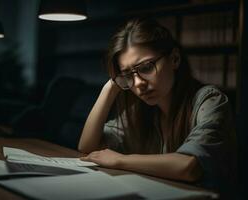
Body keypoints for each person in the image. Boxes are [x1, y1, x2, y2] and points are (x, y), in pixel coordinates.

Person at [78, 17, 237, 194]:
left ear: (175, 59)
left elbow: (189, 167)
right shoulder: (143, 110)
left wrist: (121, 160)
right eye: (128, 76)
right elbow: (88, 147)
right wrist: (110, 88)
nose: (138, 84)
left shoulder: (210, 101)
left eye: (146, 67)